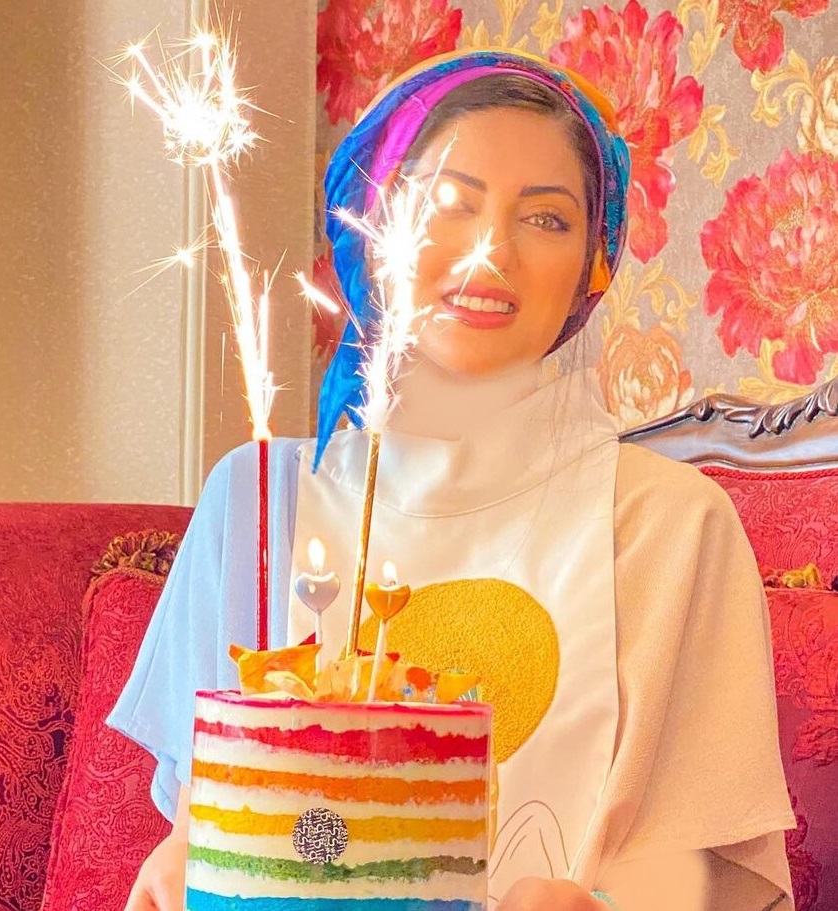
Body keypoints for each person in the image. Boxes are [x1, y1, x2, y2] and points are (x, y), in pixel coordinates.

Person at [110, 49, 795, 911]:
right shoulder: (257, 500)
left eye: (544, 219)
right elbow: (208, 818)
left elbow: (706, 877)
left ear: (591, 267)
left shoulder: (667, 522)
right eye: (445, 202)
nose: (488, 252)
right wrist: (181, 861)